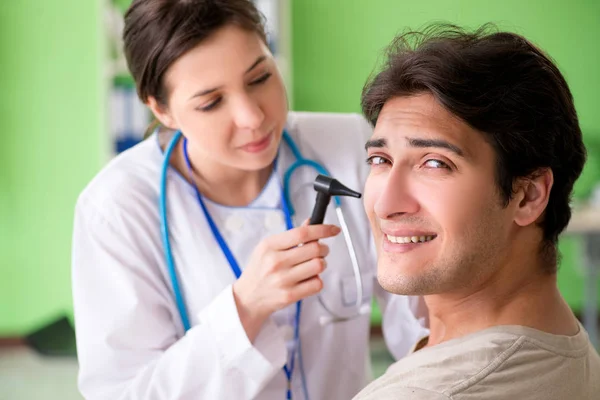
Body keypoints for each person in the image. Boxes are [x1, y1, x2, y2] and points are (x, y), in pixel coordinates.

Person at [71, 1, 429, 399]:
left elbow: (422, 321)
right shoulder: (116, 208)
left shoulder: (349, 148)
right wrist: (245, 307)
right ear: (161, 108)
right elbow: (125, 392)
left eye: (259, 77)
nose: (252, 117)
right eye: (211, 102)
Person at [353, 23, 600, 400]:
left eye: (434, 163)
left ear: (528, 195)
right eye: (380, 159)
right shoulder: (563, 343)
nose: (386, 204)